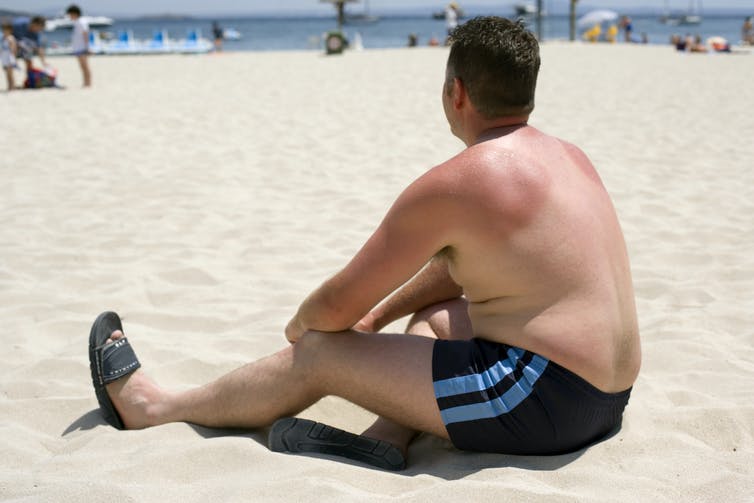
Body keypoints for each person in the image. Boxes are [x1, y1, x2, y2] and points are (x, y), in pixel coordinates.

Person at [88, 17, 640, 470]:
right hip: (609, 397)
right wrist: (378, 317)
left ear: (456, 93)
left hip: (543, 401)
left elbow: (331, 311)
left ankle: (154, 408)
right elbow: (459, 273)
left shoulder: (462, 180)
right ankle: (388, 436)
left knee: (321, 354)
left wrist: (306, 329)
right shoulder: (571, 157)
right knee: (444, 314)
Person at [66, 5, 91, 87]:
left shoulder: (81, 22)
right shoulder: (77, 22)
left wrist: (87, 47)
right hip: (79, 48)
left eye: (70, 14)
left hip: (82, 47)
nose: (69, 16)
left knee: (85, 66)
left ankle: (88, 83)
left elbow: (85, 34)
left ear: (74, 13)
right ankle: (85, 82)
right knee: (82, 66)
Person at [1, 21, 17, 91]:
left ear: (10, 30)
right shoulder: (2, 38)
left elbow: (14, 47)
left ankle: (12, 86)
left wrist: (13, 56)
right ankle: (9, 86)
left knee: (10, 73)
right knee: (6, 73)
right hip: (4, 56)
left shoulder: (11, 38)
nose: (4, 31)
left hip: (9, 56)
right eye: (3, 30)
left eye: (6, 30)